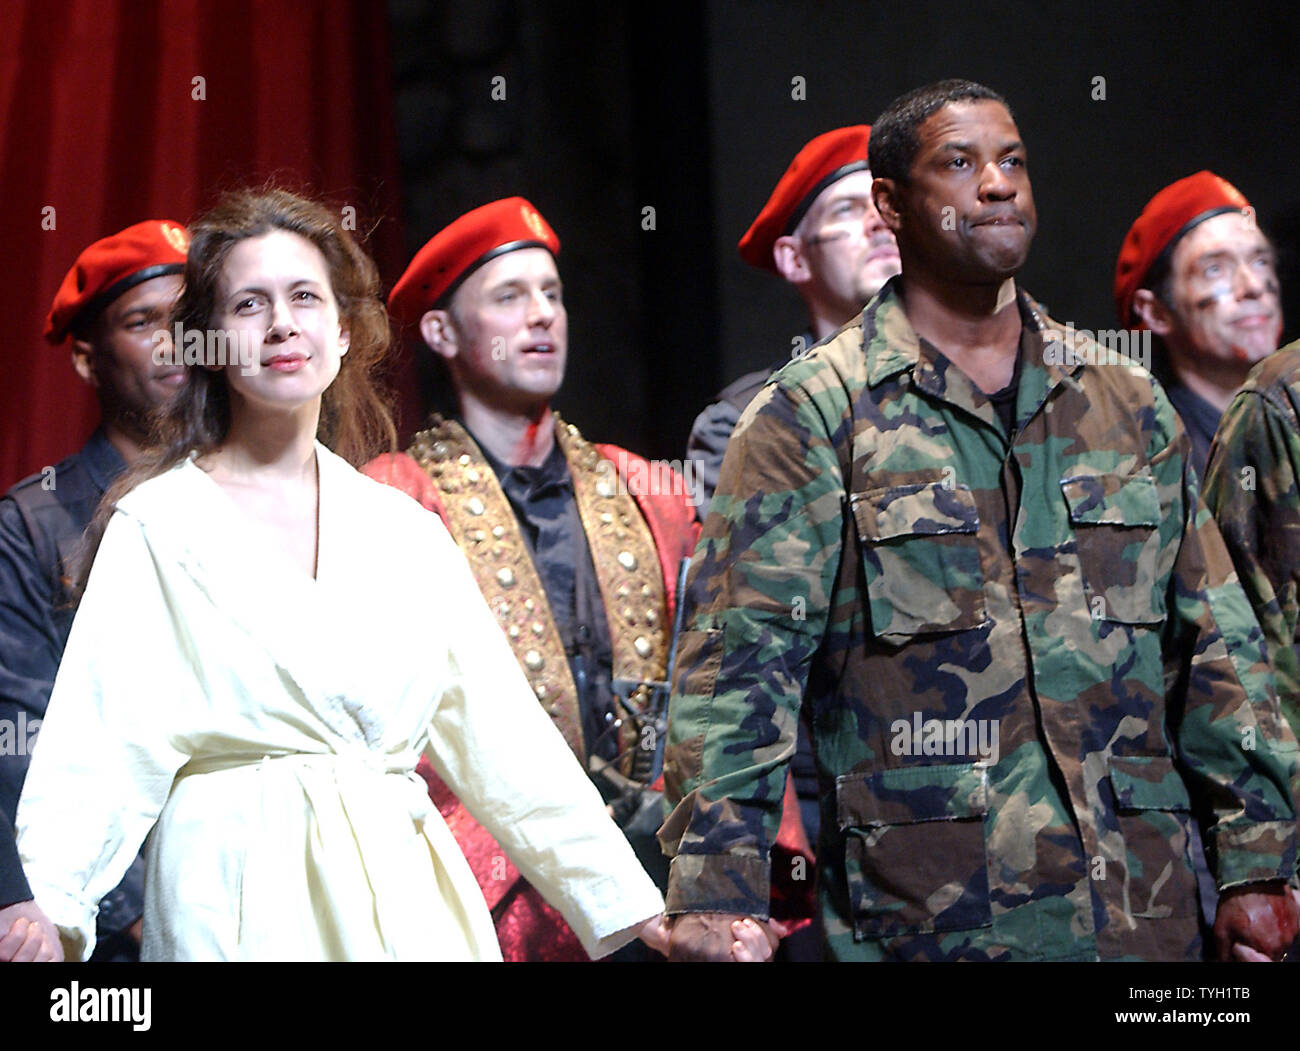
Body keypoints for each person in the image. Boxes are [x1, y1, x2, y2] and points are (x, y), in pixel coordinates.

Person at [659, 79, 1300, 963]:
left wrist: (1257, 862)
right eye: (958, 164)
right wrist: (714, 890)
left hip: (1143, 922)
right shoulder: (811, 416)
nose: (996, 185)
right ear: (890, 203)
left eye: (1012, 162)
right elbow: (739, 665)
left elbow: (1215, 645)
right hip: (934, 922)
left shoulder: (1123, 400)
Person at [13, 188, 668, 962]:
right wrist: (48, 907)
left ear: (344, 329)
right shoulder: (160, 525)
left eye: (303, 297)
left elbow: (510, 746)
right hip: (237, 893)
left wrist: (633, 906)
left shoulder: (405, 532)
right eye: (249, 304)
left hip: (405, 895)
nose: (282, 323)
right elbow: (99, 742)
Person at [367, 197, 797, 961]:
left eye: (553, 294)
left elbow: (724, 684)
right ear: (440, 332)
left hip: (661, 881)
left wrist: (734, 877)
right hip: (491, 901)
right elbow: (392, 724)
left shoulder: (646, 488)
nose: (542, 316)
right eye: (509, 297)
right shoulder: (395, 499)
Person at [0, 219, 189, 961]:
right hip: (118, 922)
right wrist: (137, 910)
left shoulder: (257, 492)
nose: (176, 342)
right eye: (144, 321)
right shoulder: (36, 522)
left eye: (189, 318)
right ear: (86, 357)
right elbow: (22, 734)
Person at [687, 125, 901, 513]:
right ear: (795, 258)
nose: (878, 222)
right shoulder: (747, 420)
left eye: (887, 205)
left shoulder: (973, 383)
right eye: (847, 210)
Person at [1115, 172, 1283, 478]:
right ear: (1156, 313)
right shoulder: (1149, 460)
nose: (1253, 285)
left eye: (1260, 261)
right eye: (1215, 268)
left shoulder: (1288, 419)